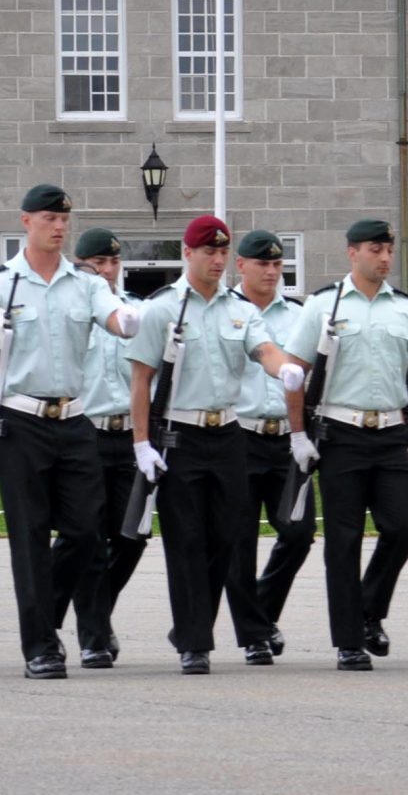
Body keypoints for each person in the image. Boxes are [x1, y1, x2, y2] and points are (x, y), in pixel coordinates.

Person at [0, 184, 141, 679]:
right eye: (49, 219)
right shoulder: (0, 287)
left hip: (74, 420)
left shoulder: (85, 283)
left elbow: (116, 319)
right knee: (30, 536)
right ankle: (39, 645)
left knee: (85, 532)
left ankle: (48, 617)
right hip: (19, 423)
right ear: (26, 223)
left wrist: (133, 319)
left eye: (64, 220)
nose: (59, 227)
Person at [282, 219, 408, 671]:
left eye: (388, 249)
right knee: (342, 539)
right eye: (375, 249)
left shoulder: (404, 309)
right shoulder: (323, 306)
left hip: (390, 434)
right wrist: (299, 434)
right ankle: (348, 641)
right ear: (352, 253)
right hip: (340, 432)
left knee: (405, 524)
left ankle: (366, 607)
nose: (385, 258)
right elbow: (294, 370)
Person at [127, 216, 304, 674]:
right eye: (210, 252)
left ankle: (192, 624)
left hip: (227, 433)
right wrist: (142, 443)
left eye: (224, 253)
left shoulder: (238, 309)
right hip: (178, 434)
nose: (218, 260)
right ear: (189, 254)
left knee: (227, 538)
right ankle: (194, 641)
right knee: (186, 540)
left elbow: (264, 349)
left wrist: (283, 368)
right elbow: (141, 378)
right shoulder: (162, 309)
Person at [51, 227, 145, 669]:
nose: (108, 270)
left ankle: (72, 612)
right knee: (84, 536)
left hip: (128, 436)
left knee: (133, 535)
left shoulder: (135, 312)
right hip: (83, 432)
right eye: (98, 263)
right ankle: (93, 635)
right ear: (81, 264)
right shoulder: (70, 309)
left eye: (114, 262)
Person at [228, 230, 314, 661]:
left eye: (278, 264)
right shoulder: (224, 311)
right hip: (237, 437)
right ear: (240, 265)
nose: (271, 271)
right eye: (262, 263)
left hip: (285, 438)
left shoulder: (296, 316)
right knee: (239, 542)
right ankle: (253, 635)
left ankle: (260, 611)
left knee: (299, 533)